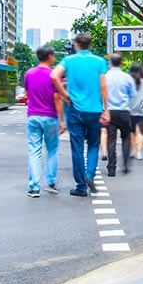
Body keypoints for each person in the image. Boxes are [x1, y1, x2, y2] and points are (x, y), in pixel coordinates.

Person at [51, 33, 109, 197]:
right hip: (95, 109)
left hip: (75, 109)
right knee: (93, 145)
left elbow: (54, 76)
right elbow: (104, 87)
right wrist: (107, 109)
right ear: (89, 44)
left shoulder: (69, 61)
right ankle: (90, 174)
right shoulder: (99, 61)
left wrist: (64, 94)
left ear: (76, 44)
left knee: (77, 148)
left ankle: (81, 186)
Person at [23, 45, 65, 198]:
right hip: (50, 117)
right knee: (52, 150)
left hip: (33, 116)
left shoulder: (29, 73)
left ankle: (34, 187)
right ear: (50, 57)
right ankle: (51, 181)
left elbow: (27, 94)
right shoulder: (54, 75)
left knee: (34, 151)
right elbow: (57, 98)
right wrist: (62, 120)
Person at [105, 53, 136, 177]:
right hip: (124, 111)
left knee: (111, 139)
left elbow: (101, 92)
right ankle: (126, 165)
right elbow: (132, 94)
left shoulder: (105, 76)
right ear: (121, 63)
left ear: (110, 63)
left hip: (110, 111)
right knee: (126, 138)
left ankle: (111, 168)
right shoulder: (127, 77)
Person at [129, 65, 143, 161]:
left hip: (129, 108)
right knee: (140, 131)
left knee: (132, 132)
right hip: (142, 108)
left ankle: (133, 150)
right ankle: (139, 152)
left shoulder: (128, 81)